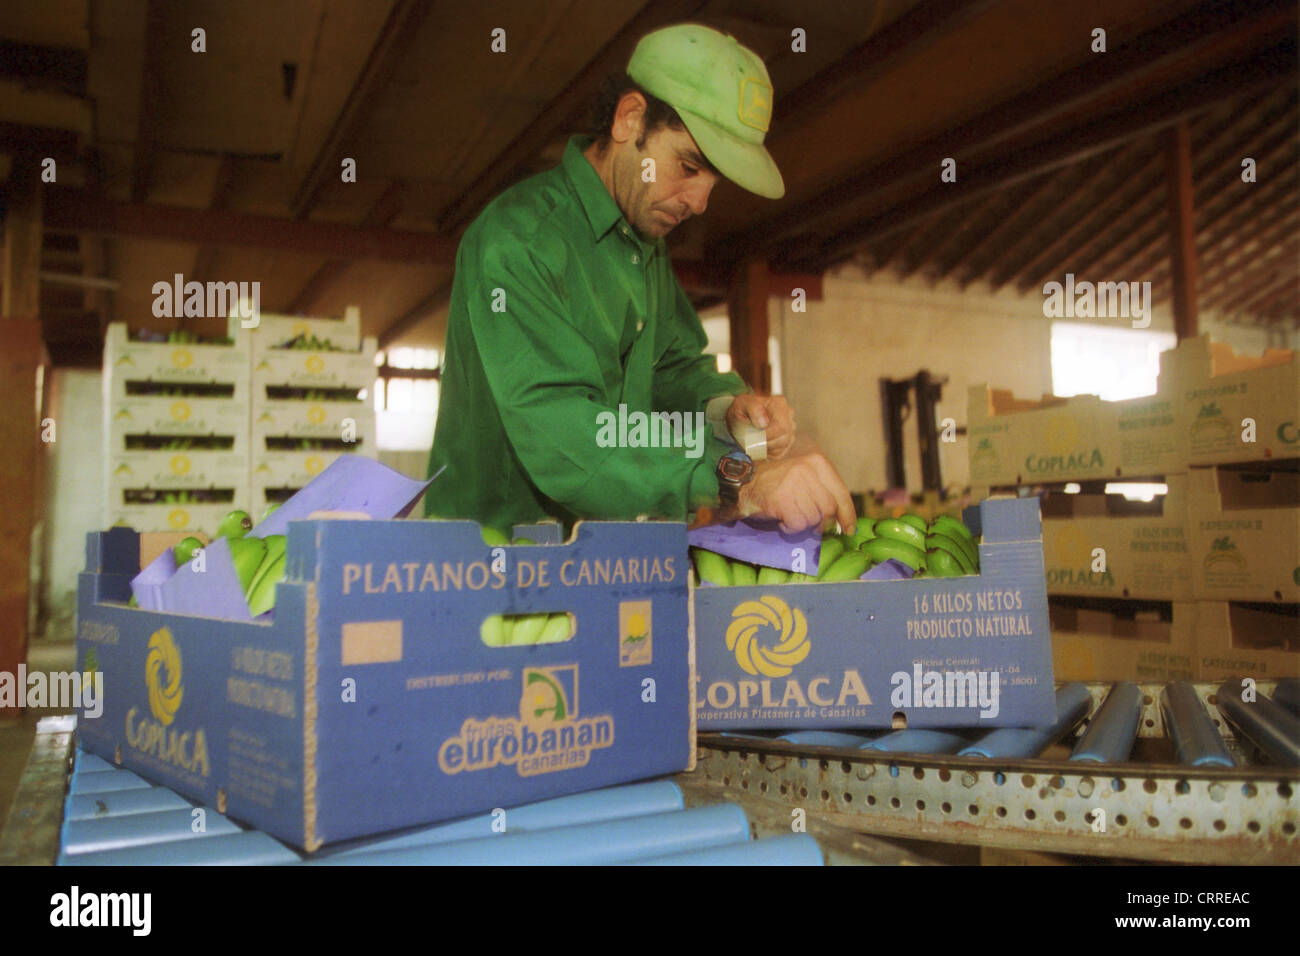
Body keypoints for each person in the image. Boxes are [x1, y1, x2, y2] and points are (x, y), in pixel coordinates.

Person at [425, 23, 855, 536]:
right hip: (497, 560)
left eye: (713, 182)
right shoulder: (519, 241)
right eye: (689, 165)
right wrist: (739, 479)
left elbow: (672, 367)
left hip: (613, 554)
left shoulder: (642, 248)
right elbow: (567, 435)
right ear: (630, 119)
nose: (698, 203)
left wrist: (728, 411)